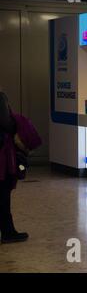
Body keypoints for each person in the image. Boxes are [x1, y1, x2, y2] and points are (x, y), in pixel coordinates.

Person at [0, 91, 29, 243]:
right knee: (3, 194)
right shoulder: (0, 98)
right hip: (2, 157)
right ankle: (8, 232)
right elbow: (6, 123)